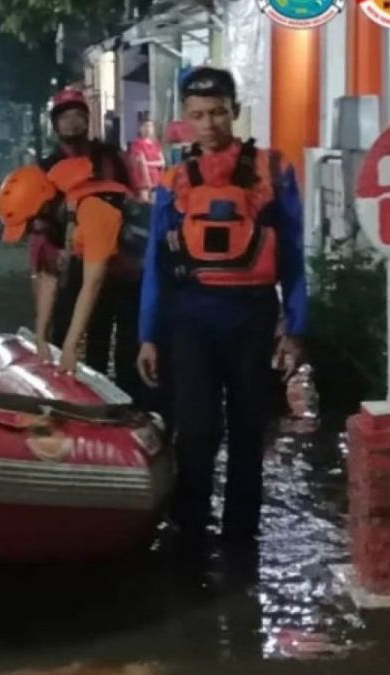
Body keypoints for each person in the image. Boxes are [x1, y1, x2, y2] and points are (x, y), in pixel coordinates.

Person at [135, 67, 306, 546]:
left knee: (250, 429)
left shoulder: (273, 171)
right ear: (184, 119)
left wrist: (295, 326)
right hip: (190, 319)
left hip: (251, 315)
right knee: (196, 428)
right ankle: (191, 530)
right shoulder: (175, 178)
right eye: (196, 115)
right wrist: (148, 333)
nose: (207, 124)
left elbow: (292, 252)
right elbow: (156, 261)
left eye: (216, 113)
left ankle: (240, 536)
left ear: (233, 110)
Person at [34, 88, 145, 401]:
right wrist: (43, 335)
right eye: (65, 117)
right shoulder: (46, 170)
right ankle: (75, 399)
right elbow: (44, 263)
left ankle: (128, 408)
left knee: (127, 348)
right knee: (77, 339)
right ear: (55, 125)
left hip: (121, 266)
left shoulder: (112, 159)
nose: (72, 123)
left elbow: (134, 199)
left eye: (78, 116)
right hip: (77, 263)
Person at [129, 115, 166, 204]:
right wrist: (147, 179)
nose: (148, 128)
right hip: (142, 178)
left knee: (155, 203)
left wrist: (148, 163)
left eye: (150, 126)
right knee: (145, 204)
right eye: (146, 126)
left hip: (156, 178)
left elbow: (162, 162)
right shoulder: (137, 144)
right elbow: (141, 162)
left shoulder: (156, 144)